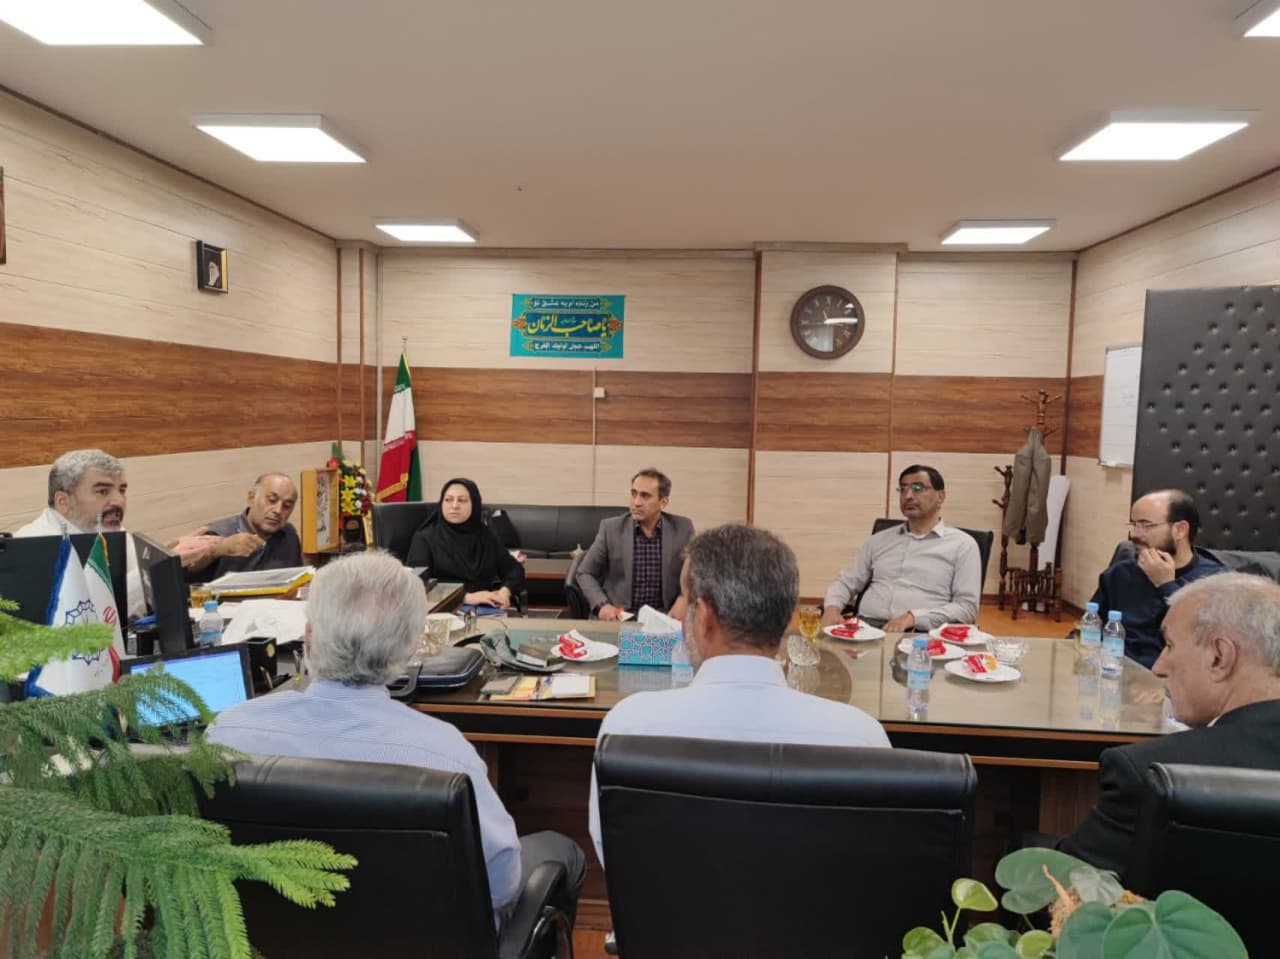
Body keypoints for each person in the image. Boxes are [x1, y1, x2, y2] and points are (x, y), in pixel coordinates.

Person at [207, 551, 585, 924]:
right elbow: (500, 887)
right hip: (422, 941)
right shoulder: (445, 754)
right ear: (409, 649)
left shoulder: (226, 733)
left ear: (308, 638)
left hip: (259, 940)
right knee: (558, 848)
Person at [588, 523, 890, 864]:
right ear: (786, 618)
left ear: (704, 618)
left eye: (684, 600)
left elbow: (613, 851)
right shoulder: (863, 739)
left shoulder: (627, 728)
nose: (678, 614)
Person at [1059, 573, 1280, 878]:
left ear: (1219, 657)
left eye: (1170, 645)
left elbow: (1063, 887)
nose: (1158, 667)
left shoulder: (1152, 773)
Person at [13, 449, 221, 619]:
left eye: (121, 490)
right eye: (103, 491)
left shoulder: (107, 530)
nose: (119, 501)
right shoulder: (30, 547)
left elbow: (132, 588)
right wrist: (159, 566)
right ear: (63, 501)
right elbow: (77, 616)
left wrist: (165, 554)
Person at [821, 465, 980, 632]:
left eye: (917, 488)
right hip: (865, 630)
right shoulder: (879, 540)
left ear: (940, 497)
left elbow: (966, 607)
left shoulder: (962, 545)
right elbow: (846, 582)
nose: (908, 496)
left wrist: (914, 618)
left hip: (922, 634)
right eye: (903, 489)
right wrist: (832, 608)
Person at [1088, 489, 1224, 668]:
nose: (1134, 534)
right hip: (1115, 672)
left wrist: (1166, 585)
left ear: (1180, 530)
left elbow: (1205, 642)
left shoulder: (1216, 582)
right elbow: (1089, 627)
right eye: (1133, 524)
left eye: (1145, 525)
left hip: (1174, 679)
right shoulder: (1121, 573)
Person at [575, 468, 694, 621]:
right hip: (619, 616)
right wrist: (602, 605)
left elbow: (696, 574)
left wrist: (684, 598)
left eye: (645, 496)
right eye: (634, 494)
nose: (636, 502)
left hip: (664, 617)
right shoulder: (611, 529)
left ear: (663, 502)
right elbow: (585, 573)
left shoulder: (683, 529)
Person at [405, 478, 525, 608]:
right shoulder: (425, 537)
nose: (454, 506)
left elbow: (514, 569)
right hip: (442, 609)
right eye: (448, 500)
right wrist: (466, 598)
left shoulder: (486, 535)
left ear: (475, 504)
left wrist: (504, 592)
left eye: (462, 500)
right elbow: (416, 584)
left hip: (486, 608)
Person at [187, 472, 303, 582]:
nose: (278, 510)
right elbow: (188, 572)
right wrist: (218, 550)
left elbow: (298, 580)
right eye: (272, 500)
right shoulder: (217, 534)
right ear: (251, 498)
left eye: (287, 506)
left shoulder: (288, 534)